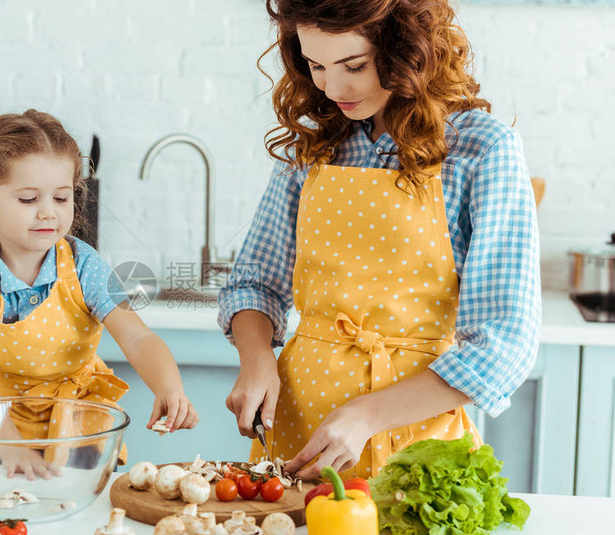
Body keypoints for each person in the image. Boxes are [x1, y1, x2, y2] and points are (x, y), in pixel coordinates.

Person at [218, 0, 540, 481]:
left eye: (354, 66)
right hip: (297, 426)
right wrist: (258, 360)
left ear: (408, 50)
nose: (333, 88)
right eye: (316, 65)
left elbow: (503, 343)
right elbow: (253, 285)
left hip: (416, 437)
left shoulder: (480, 147)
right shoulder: (314, 146)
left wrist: (367, 415)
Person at [0, 109, 198, 478]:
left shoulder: (84, 265)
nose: (48, 213)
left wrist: (169, 387)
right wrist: (8, 444)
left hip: (78, 418)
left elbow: (137, 336)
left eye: (61, 199)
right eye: (29, 199)